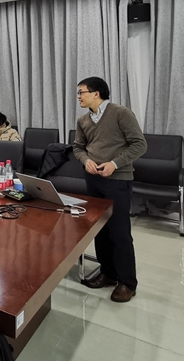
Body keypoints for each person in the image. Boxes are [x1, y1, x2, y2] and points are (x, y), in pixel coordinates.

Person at [73, 76, 147, 303]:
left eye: (82, 92)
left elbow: (140, 144)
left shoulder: (121, 113)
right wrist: (86, 160)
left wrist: (115, 164)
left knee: (119, 232)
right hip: (93, 180)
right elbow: (78, 147)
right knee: (100, 229)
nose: (79, 97)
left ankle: (128, 282)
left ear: (96, 93)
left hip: (118, 181)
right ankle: (107, 273)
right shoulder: (83, 120)